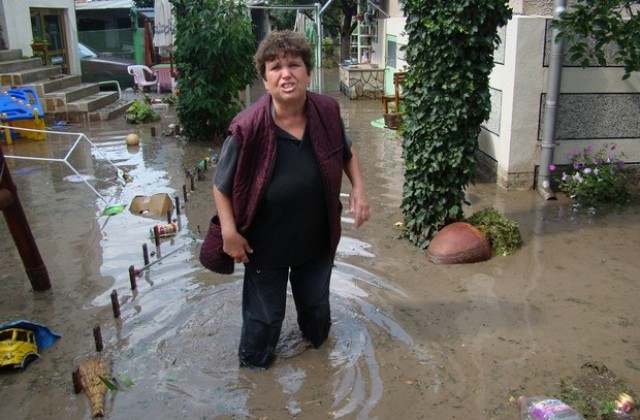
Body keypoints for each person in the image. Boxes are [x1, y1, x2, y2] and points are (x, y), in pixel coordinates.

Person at [212, 30, 371, 370]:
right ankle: (254, 372)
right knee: (265, 319)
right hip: (264, 245)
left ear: (308, 73)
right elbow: (221, 185)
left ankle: (319, 361)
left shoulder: (326, 111)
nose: (286, 73)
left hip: (316, 238)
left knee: (315, 308)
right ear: (265, 79)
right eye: (276, 67)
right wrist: (229, 232)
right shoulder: (247, 127)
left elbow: (347, 150)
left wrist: (359, 187)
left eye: (294, 65)